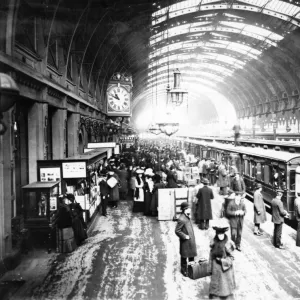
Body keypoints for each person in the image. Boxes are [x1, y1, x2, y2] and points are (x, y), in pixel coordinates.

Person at [209, 220, 236, 299]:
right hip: (215, 271)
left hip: (225, 272)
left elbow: (231, 258)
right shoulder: (213, 242)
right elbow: (210, 255)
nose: (220, 236)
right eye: (218, 234)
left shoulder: (228, 243)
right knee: (215, 291)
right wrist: (210, 268)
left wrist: (222, 261)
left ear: (224, 233)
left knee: (225, 291)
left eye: (222, 234)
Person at [175, 201, 197, 277]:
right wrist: (185, 236)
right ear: (185, 209)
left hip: (191, 241)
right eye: (189, 208)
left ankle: (191, 269)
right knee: (184, 256)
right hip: (185, 241)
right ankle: (183, 270)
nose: (190, 209)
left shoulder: (187, 216)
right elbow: (177, 231)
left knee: (191, 256)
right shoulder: (181, 219)